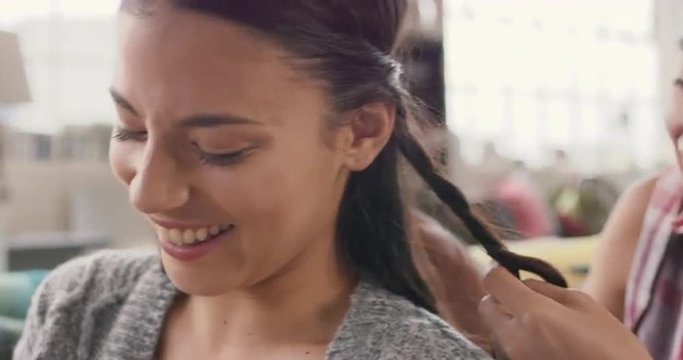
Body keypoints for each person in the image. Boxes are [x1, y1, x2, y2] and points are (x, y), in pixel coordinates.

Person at [13, 1, 564, 359]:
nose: (147, 192)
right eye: (130, 129)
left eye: (219, 149)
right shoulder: (78, 309)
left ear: (361, 132)